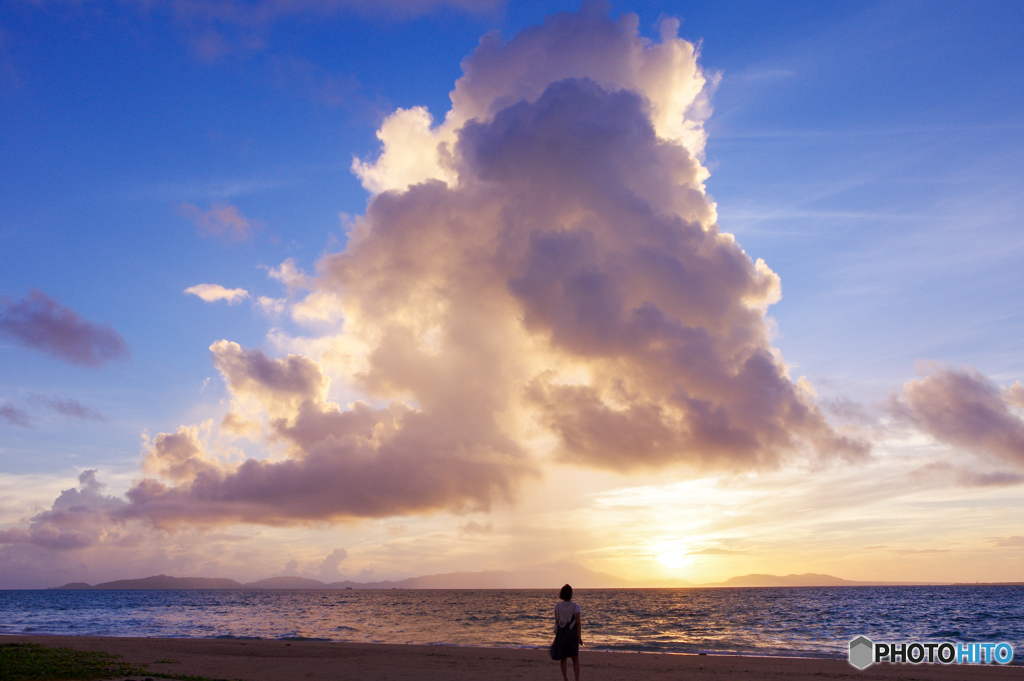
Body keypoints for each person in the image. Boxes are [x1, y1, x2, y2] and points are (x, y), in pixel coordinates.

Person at [550, 583, 582, 681]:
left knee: (563, 658)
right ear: (571, 594)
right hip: (572, 633)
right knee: (575, 658)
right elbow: (578, 622)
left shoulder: (557, 606)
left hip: (561, 633)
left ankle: (565, 678)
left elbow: (557, 620)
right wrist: (579, 637)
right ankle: (577, 679)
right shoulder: (576, 607)